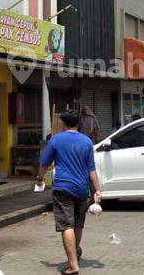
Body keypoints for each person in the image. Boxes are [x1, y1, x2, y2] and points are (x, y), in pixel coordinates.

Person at [36, 112, 102, 275]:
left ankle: (73, 265)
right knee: (77, 225)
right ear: (78, 124)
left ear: (64, 125)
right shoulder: (86, 141)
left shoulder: (57, 139)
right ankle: (75, 253)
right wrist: (97, 190)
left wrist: (39, 178)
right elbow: (91, 169)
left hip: (63, 188)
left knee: (67, 225)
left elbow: (45, 162)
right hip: (82, 189)